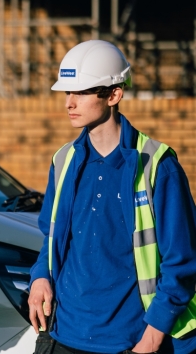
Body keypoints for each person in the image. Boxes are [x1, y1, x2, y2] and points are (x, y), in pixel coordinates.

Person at [29, 40, 196, 354]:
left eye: (80, 92)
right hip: (63, 336)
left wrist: (151, 339)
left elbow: (183, 262)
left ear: (114, 94)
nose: (69, 103)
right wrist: (40, 277)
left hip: (132, 341)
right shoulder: (63, 160)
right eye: (67, 92)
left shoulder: (158, 165)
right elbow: (50, 240)